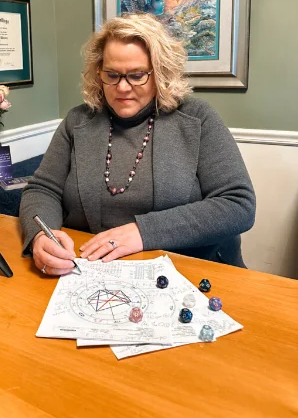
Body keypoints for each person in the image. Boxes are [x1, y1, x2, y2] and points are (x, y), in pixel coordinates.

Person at [19, 14, 255, 275]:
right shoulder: (78, 121)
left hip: (189, 272)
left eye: (137, 75)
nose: (122, 87)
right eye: (112, 74)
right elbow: (42, 189)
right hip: (91, 273)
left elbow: (238, 205)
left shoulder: (197, 118)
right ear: (99, 73)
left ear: (160, 72)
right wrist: (42, 235)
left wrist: (144, 232)